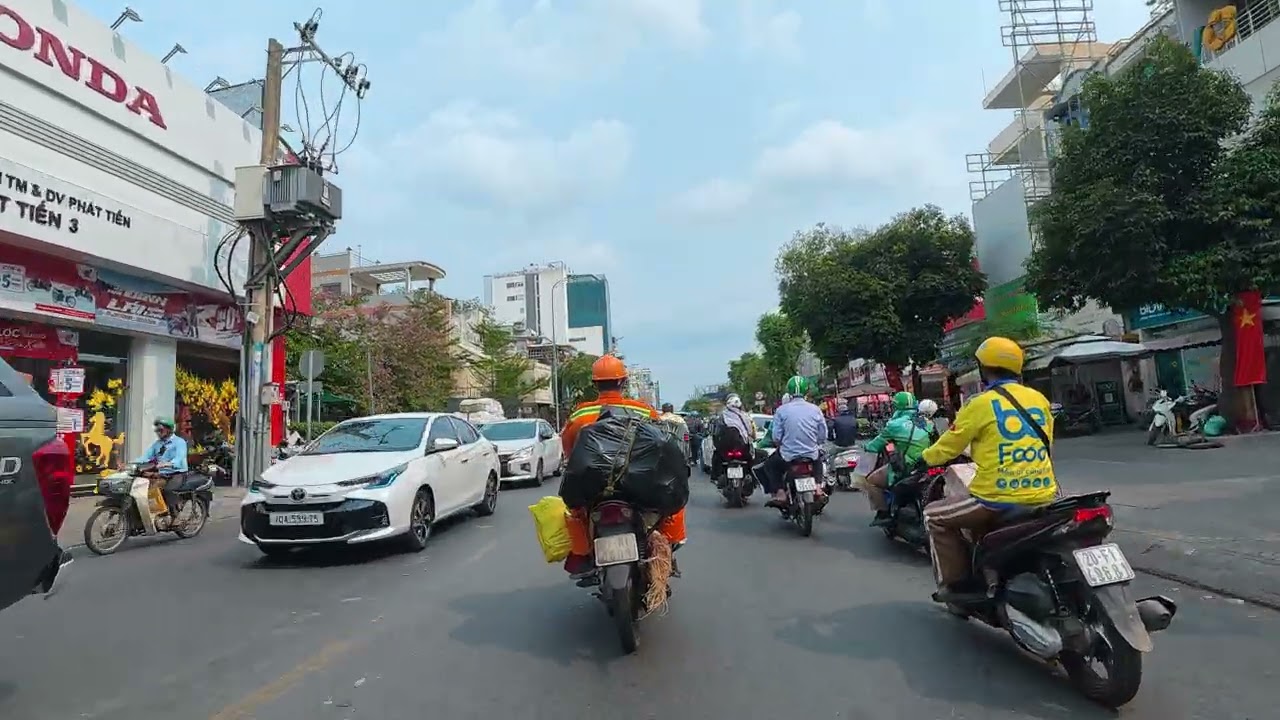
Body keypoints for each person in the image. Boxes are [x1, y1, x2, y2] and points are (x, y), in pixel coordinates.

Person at [918, 337, 1058, 603]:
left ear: (984, 369)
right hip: (1045, 494)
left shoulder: (980, 404)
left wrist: (926, 458)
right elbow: (1047, 443)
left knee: (933, 516)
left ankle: (955, 585)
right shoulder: (1038, 399)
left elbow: (948, 446)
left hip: (995, 498)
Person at [559, 355, 686, 577]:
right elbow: (660, 446)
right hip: (637, 483)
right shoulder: (644, 411)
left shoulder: (580, 414)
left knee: (576, 512)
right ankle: (667, 549)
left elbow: (570, 450)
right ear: (623, 382)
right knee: (669, 504)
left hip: (594, 486)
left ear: (595, 383)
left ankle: (582, 556)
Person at [860, 391, 933, 527]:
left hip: (906, 468)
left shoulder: (894, 424)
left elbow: (875, 446)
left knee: (871, 481)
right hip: (927, 465)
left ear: (896, 407)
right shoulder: (926, 422)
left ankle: (883, 513)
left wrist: (866, 446)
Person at [761, 376, 828, 508]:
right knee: (818, 461)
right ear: (806, 391)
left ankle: (780, 493)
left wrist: (780, 445)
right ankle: (819, 488)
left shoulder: (782, 410)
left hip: (788, 455)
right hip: (811, 453)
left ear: (789, 391)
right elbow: (823, 434)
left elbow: (776, 437)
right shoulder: (815, 409)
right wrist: (816, 443)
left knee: (770, 465)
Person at [132, 416, 189, 532]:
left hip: (176, 473)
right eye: (157, 430)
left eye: (161, 430)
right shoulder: (157, 444)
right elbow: (146, 457)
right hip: (162, 474)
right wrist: (131, 463)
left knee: (168, 490)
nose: (158, 433)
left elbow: (179, 459)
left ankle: (176, 517)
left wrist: (167, 464)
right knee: (145, 491)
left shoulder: (179, 442)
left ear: (169, 430)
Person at [712, 394, 757, 479]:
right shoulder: (745, 416)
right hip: (742, 447)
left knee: (716, 457)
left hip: (725, 449)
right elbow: (750, 431)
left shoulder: (722, 417)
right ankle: (752, 478)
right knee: (752, 459)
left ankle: (715, 477)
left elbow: (716, 433)